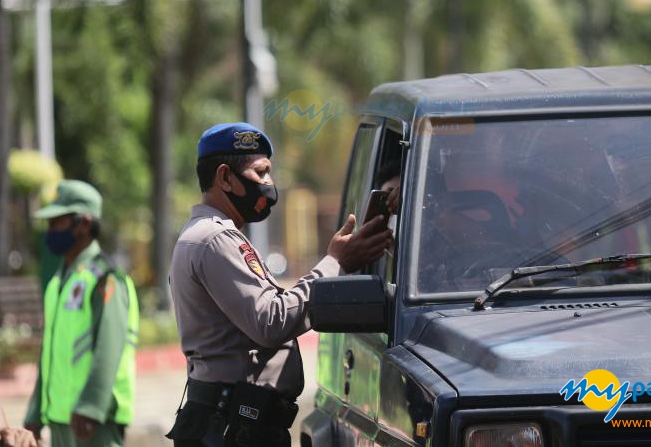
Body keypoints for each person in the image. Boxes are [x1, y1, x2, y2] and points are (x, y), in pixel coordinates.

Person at [166, 122, 392, 447]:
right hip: (233, 427)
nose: (269, 184)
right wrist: (336, 262)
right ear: (225, 177)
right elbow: (270, 320)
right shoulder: (215, 240)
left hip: (231, 421)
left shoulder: (203, 236)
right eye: (261, 172)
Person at [23, 180, 139, 447]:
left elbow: (108, 349)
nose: (50, 231)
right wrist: (35, 411)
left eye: (58, 223)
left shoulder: (106, 279)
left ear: (84, 224)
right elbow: (50, 353)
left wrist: (91, 407)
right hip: (60, 418)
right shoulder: (57, 282)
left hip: (94, 421)